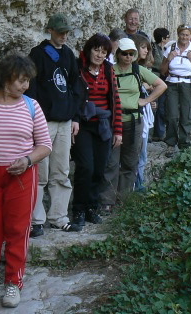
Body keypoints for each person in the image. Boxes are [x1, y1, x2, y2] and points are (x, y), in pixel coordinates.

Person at [0, 55, 52, 308]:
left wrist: (28, 160)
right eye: (20, 80)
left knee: (18, 229)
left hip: (21, 176)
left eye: (28, 80)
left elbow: (45, 145)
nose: (25, 85)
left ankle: (13, 282)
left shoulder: (31, 106)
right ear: (6, 78)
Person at [27, 13, 83, 237]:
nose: (64, 36)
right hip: (44, 121)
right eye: (60, 32)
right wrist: (33, 119)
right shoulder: (38, 54)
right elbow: (31, 89)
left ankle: (59, 217)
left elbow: (75, 87)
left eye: (66, 32)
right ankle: (36, 220)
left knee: (61, 171)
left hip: (64, 121)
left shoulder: (68, 54)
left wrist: (75, 117)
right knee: (40, 173)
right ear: (50, 30)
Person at [100, 38, 165, 209]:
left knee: (130, 162)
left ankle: (123, 200)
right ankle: (107, 201)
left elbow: (161, 85)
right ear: (118, 54)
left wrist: (146, 100)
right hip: (114, 121)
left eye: (131, 54)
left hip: (134, 121)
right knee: (111, 162)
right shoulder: (109, 70)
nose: (128, 57)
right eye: (124, 54)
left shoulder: (137, 70)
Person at [71, 34, 122, 226]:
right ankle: (79, 209)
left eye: (104, 52)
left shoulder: (108, 70)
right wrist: (74, 118)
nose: (99, 55)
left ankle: (91, 207)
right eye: (96, 50)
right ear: (89, 49)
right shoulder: (78, 68)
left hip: (103, 125)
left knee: (99, 168)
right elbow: (73, 96)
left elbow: (115, 101)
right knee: (86, 167)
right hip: (83, 124)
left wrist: (118, 131)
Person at [161, 25, 191, 150]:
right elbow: (162, 71)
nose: (184, 37)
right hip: (172, 83)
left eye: (187, 35)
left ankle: (184, 142)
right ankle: (171, 143)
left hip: (188, 84)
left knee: (187, 114)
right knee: (172, 114)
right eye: (182, 34)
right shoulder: (170, 49)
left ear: (190, 36)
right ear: (178, 35)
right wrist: (168, 59)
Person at [131, 35, 158, 191]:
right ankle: (137, 185)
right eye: (143, 47)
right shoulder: (134, 69)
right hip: (135, 115)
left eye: (147, 48)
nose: (146, 51)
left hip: (143, 113)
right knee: (139, 153)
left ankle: (138, 184)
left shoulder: (141, 68)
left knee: (142, 153)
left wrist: (148, 99)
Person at [150, 28, 170, 141]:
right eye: (167, 37)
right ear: (163, 38)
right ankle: (152, 132)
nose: (169, 39)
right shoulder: (153, 49)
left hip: (161, 79)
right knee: (154, 105)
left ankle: (159, 133)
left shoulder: (163, 49)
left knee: (161, 106)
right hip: (154, 78)